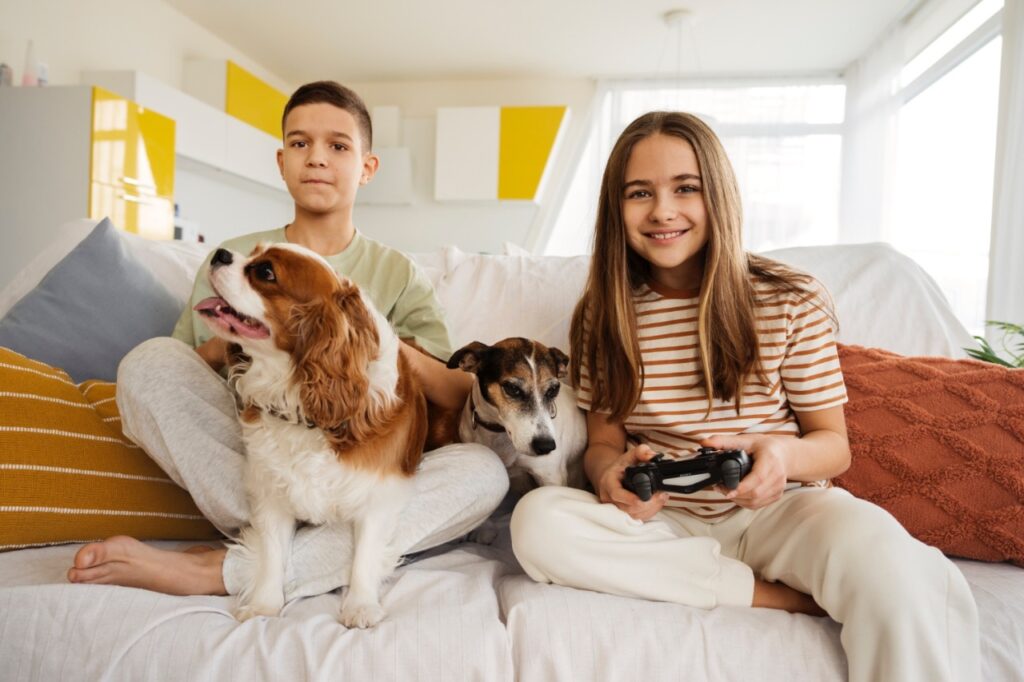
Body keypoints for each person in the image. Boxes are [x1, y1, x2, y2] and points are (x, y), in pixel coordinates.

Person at [509, 111, 979, 682]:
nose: (663, 210)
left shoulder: (788, 299)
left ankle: (788, 578)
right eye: (640, 193)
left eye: (687, 188)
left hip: (783, 510)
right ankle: (771, 596)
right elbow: (604, 441)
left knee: (892, 568)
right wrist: (610, 476)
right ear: (617, 209)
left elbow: (834, 446)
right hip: (664, 522)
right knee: (536, 523)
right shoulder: (603, 315)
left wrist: (779, 455)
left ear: (720, 196)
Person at [67, 81, 508, 601]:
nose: (317, 158)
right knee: (145, 365)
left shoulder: (395, 273)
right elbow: (184, 372)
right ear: (281, 161)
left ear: (367, 167)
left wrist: (371, 337)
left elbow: (460, 394)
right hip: (257, 463)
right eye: (300, 144)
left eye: (338, 146)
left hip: (358, 472)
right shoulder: (234, 259)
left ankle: (233, 570)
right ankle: (291, 546)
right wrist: (236, 341)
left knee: (484, 472)